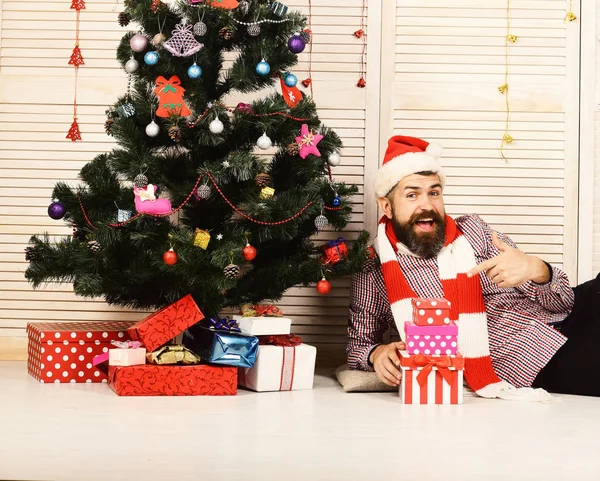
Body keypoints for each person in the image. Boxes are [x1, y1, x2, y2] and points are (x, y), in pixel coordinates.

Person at [347, 135, 600, 400]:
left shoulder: (474, 230)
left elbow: (563, 301)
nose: (427, 205)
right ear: (386, 206)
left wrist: (537, 269)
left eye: (434, 193)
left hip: (576, 310)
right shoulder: (373, 269)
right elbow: (358, 346)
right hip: (538, 355)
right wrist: (375, 354)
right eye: (412, 195)